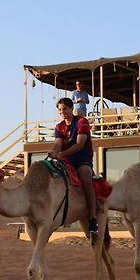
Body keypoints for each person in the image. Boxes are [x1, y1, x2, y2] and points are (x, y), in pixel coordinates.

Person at [50, 97, 98, 233]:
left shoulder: (82, 122)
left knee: (86, 178)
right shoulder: (59, 127)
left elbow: (80, 144)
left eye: (65, 108)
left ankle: (93, 217)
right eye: (60, 109)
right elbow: (58, 143)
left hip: (82, 159)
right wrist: (53, 152)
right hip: (66, 160)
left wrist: (61, 154)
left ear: (71, 109)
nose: (62, 111)